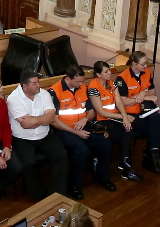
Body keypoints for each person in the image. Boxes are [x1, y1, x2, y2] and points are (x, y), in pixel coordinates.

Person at [50, 64, 115, 197]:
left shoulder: (83, 88)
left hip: (83, 126)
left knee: (105, 144)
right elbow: (55, 121)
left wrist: (85, 120)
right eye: (78, 81)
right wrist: (76, 132)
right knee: (81, 150)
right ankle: (74, 185)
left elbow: (91, 112)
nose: (81, 84)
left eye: (82, 81)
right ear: (68, 79)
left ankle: (103, 177)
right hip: (65, 130)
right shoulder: (55, 91)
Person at [7, 70, 69, 200]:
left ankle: (56, 195)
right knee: (28, 163)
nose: (38, 86)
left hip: (44, 135)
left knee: (61, 156)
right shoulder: (13, 98)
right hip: (23, 138)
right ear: (25, 86)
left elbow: (51, 118)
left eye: (38, 82)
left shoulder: (44, 94)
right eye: (34, 83)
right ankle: (39, 196)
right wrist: (43, 119)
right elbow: (26, 124)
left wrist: (35, 120)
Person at [88, 61, 141, 182]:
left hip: (114, 116)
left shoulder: (112, 83)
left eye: (109, 70)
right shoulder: (93, 87)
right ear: (98, 74)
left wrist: (125, 117)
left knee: (128, 128)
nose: (109, 73)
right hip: (102, 120)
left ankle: (125, 162)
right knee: (120, 134)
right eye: (106, 72)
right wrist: (123, 118)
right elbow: (101, 112)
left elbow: (119, 102)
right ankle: (126, 164)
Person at [114, 51, 160, 174]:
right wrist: (141, 97)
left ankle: (153, 156)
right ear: (133, 64)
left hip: (146, 111)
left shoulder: (147, 72)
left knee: (157, 120)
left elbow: (153, 92)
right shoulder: (122, 78)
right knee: (156, 128)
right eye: (142, 64)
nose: (145, 66)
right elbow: (123, 102)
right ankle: (152, 157)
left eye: (146, 63)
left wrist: (143, 94)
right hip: (131, 114)